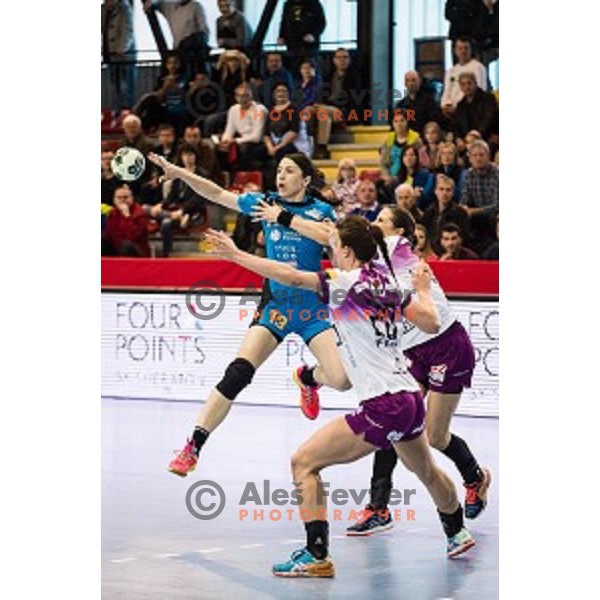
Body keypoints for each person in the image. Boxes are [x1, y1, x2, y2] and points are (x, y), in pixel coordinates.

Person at [205, 216, 476, 575]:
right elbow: (429, 321)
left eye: (333, 248)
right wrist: (424, 288)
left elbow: (288, 276)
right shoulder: (389, 282)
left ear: (346, 251)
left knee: (303, 463)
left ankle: (316, 556)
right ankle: (456, 531)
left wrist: (237, 255)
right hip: (410, 398)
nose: (331, 254)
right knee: (425, 469)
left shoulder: (343, 284)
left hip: (383, 403)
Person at [147, 151, 348, 480]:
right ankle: (193, 446)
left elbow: (331, 240)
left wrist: (281, 216)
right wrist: (181, 173)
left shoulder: (320, 211)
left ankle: (308, 377)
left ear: (306, 180)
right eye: (279, 170)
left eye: (290, 171)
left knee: (341, 380)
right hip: (276, 306)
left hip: (312, 308)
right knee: (237, 374)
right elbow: (216, 193)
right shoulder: (262, 202)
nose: (281, 176)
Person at [343, 207, 490, 535]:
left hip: (447, 345)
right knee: (390, 418)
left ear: (398, 231)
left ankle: (474, 476)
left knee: (436, 436)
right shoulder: (371, 264)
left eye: (381, 220)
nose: (374, 224)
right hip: (412, 352)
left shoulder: (396, 247)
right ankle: (378, 508)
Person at [144, 0, 210, 78]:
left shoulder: (196, 6)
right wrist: (149, 3)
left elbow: (204, 31)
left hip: (192, 50)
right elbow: (158, 2)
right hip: (178, 50)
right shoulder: (171, 7)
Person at [217, 83, 267, 171]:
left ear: (251, 96)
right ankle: (226, 175)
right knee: (221, 148)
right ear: (236, 97)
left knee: (243, 148)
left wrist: (235, 141)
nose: (243, 99)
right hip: (242, 140)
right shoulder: (233, 109)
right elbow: (229, 130)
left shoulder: (259, 110)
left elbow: (257, 137)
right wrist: (225, 141)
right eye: (240, 96)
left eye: (245, 96)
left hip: (259, 143)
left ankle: (244, 175)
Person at [460, 139, 498, 254]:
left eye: (481, 155)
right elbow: (465, 199)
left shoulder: (498, 174)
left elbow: (498, 205)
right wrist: (464, 208)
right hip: (476, 219)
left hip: (494, 218)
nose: (478, 158)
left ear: (488, 156)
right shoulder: (469, 175)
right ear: (470, 158)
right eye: (474, 155)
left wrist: (474, 211)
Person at [101, 0, 136, 120]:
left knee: (124, 85)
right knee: (114, 85)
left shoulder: (124, 7)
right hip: (110, 54)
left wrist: (122, 49)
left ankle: (125, 113)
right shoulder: (103, 9)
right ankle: (116, 113)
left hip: (123, 55)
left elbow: (128, 29)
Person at [421, 175, 471, 254]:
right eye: (441, 189)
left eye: (448, 190)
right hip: (430, 254)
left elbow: (464, 239)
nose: (444, 193)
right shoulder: (428, 212)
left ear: (453, 193)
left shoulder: (460, 213)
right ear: (435, 191)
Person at [440, 37, 487, 118]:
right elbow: (447, 90)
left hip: (469, 111)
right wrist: (445, 105)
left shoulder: (478, 67)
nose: (463, 51)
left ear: (471, 50)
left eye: (466, 48)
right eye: (460, 48)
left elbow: (480, 90)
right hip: (450, 111)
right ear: (455, 51)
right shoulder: (451, 71)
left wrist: (458, 107)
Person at [101, 184, 151, 257]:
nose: (122, 200)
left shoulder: (140, 213)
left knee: (126, 245)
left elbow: (133, 237)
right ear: (114, 200)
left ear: (132, 198)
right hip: (117, 248)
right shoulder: (113, 213)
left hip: (137, 251)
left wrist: (127, 216)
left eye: (125, 197)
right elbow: (107, 235)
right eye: (119, 198)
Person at [277, 0, 326, 72]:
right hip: (292, 45)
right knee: (293, 72)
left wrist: (313, 35)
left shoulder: (314, 3)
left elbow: (321, 23)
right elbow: (284, 22)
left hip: (309, 47)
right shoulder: (287, 5)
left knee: (310, 71)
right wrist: (281, 36)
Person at [453, 72, 499, 145]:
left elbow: (489, 119)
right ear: (460, 87)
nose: (467, 87)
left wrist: (475, 135)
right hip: (467, 142)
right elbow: (456, 126)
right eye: (463, 84)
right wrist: (458, 139)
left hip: (487, 138)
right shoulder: (460, 105)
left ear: (475, 83)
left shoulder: (488, 98)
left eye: (469, 83)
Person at [379, 110, 421, 185]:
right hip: (391, 178)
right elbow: (383, 163)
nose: (399, 124)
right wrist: (387, 177)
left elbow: (419, 163)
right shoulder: (388, 139)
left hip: (411, 177)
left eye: (402, 121)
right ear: (392, 123)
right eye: (396, 121)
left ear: (407, 122)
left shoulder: (416, 139)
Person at [392, 145, 434, 210]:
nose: (408, 158)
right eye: (405, 155)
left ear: (416, 157)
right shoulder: (399, 176)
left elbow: (425, 196)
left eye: (411, 155)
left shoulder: (424, 174)